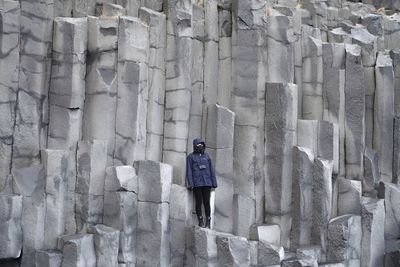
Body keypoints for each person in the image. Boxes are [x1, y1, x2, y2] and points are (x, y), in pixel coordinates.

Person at [186, 138, 217, 228]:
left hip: (207, 182)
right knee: (199, 202)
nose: (200, 147)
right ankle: (200, 220)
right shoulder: (190, 157)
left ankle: (208, 220)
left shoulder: (207, 156)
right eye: (198, 145)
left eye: (201, 145)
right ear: (195, 146)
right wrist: (191, 183)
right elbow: (189, 171)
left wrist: (214, 182)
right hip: (197, 183)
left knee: (206, 202)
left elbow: (211, 170)